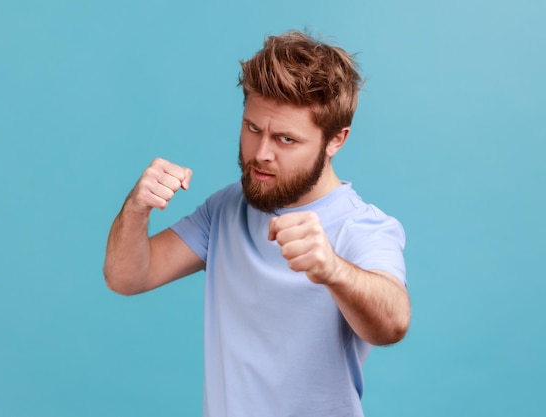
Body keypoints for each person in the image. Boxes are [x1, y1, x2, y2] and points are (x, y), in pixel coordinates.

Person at [104, 30, 411, 417]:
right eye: (252, 129)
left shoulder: (363, 227)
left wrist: (333, 269)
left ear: (336, 140)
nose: (261, 154)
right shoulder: (227, 207)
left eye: (285, 139)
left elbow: (393, 323)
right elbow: (126, 277)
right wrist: (136, 208)